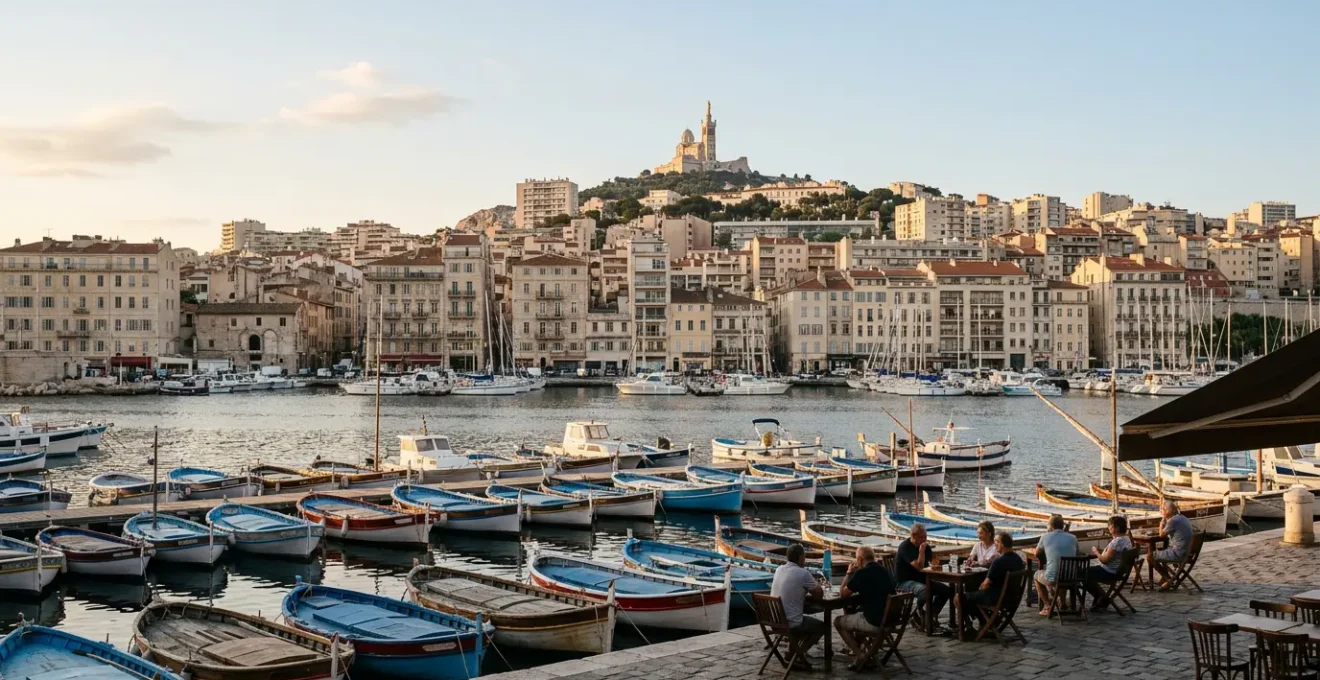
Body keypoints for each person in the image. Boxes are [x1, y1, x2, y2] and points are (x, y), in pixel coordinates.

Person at [835, 546, 897, 669]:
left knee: (838, 622)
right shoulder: (885, 570)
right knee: (854, 612)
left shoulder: (861, 573)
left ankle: (860, 655)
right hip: (890, 619)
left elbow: (843, 593)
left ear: (859, 560)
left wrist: (848, 574)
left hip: (874, 622)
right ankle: (864, 649)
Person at [770, 543, 825, 666]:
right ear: (801, 558)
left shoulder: (779, 569)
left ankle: (792, 652)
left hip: (774, 621)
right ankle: (797, 654)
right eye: (804, 557)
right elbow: (819, 594)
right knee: (822, 627)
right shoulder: (803, 573)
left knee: (795, 614)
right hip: (790, 623)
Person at [957, 532, 1024, 632]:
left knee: (958, 597)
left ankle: (975, 625)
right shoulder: (1018, 559)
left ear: (1002, 544)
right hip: (1011, 598)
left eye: (996, 541)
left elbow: (985, 586)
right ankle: (987, 621)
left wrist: (980, 588)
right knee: (971, 590)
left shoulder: (998, 562)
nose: (995, 544)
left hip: (996, 598)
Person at [894, 523, 952, 630]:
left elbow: (932, 562)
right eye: (922, 537)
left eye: (925, 536)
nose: (925, 539)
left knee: (946, 590)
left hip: (922, 579)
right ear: (914, 536)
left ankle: (929, 615)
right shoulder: (905, 547)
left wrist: (936, 564)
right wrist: (921, 552)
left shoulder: (926, 546)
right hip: (904, 581)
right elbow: (919, 566)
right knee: (925, 591)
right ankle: (917, 614)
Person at [1030, 514, 1079, 616]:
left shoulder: (1045, 537)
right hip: (1072, 577)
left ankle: (1048, 606)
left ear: (1050, 526)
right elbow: (1077, 554)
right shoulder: (1073, 538)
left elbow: (1037, 554)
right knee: (1063, 571)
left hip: (1054, 578)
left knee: (1036, 575)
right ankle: (1062, 603)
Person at [1084, 515, 1133, 609]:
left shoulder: (1117, 542)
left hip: (1109, 572)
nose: (1109, 528)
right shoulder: (1126, 539)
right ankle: (1100, 597)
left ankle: (1101, 597)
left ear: (1116, 528)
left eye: (1110, 526)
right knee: (1086, 572)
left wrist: (1096, 552)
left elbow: (1104, 560)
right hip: (1118, 571)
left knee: (1082, 573)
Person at [1151, 500, 1193, 590]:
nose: (1162, 511)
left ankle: (1168, 579)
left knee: (1150, 556)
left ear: (1170, 511)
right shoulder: (1182, 517)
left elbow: (1161, 535)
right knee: (1162, 549)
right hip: (1187, 552)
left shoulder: (1173, 521)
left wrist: (1161, 523)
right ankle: (1165, 578)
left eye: (1164, 510)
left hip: (1178, 553)